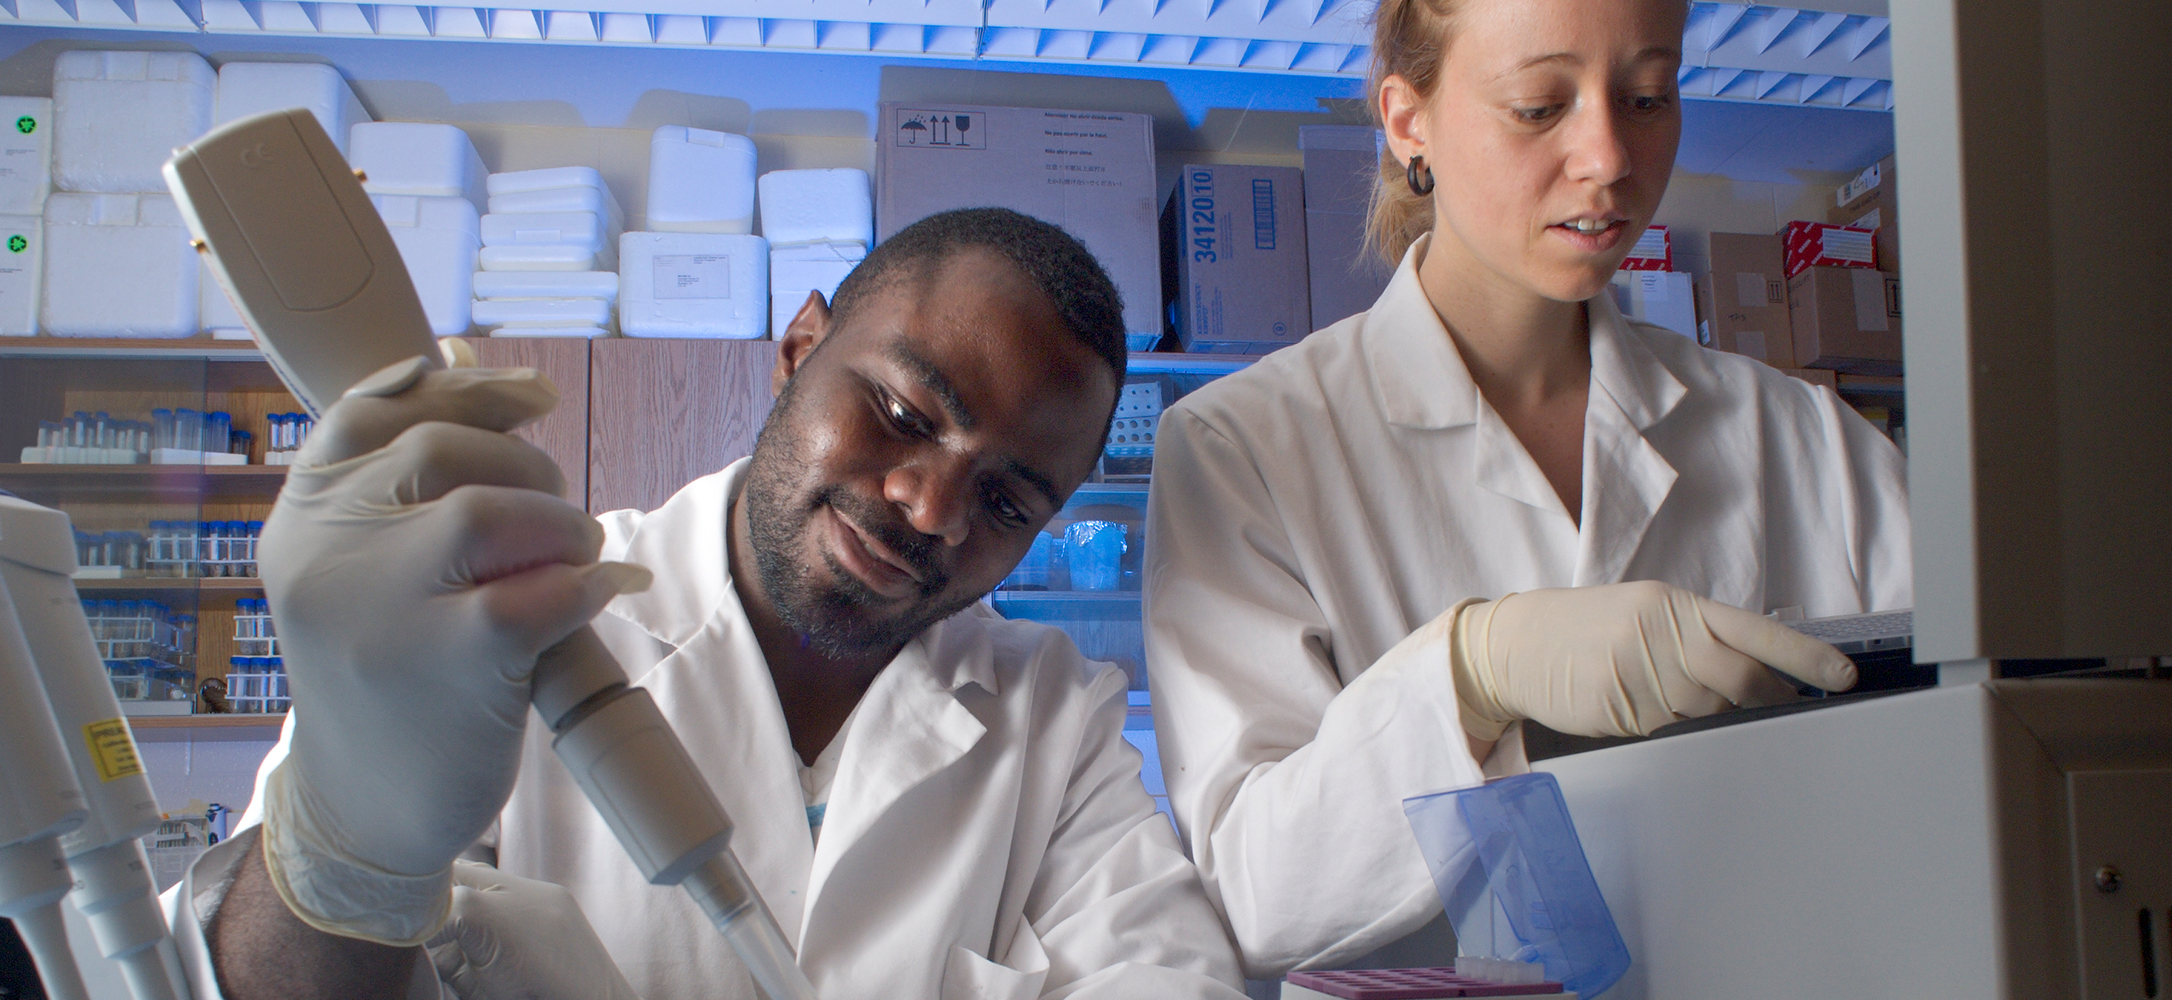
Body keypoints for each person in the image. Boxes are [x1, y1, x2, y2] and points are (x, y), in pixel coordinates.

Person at [174, 208, 1248, 999]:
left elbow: (1169, 976)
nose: (931, 508)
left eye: (1007, 500)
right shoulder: (510, 621)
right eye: (905, 410)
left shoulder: (1051, 716)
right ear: (798, 349)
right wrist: (349, 848)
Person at [1141, 0, 1914, 978]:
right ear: (1407, 121)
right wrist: (1467, 675)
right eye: (1539, 105)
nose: (1609, 157)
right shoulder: (1241, 447)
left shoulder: (1802, 438)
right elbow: (1252, 897)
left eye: (1647, 95)